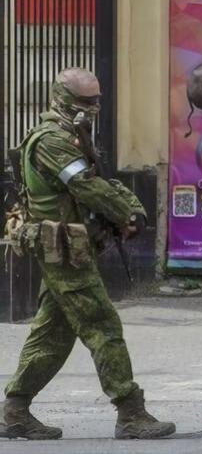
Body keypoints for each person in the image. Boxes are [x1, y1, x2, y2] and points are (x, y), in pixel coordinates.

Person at [4, 69, 175, 441]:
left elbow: (100, 180)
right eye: (86, 102)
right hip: (63, 252)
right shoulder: (51, 141)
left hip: (71, 249)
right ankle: (130, 412)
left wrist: (127, 208)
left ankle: (14, 411)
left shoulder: (72, 136)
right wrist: (125, 213)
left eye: (96, 100)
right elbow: (85, 186)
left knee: (53, 334)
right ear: (62, 100)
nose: (94, 108)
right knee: (103, 326)